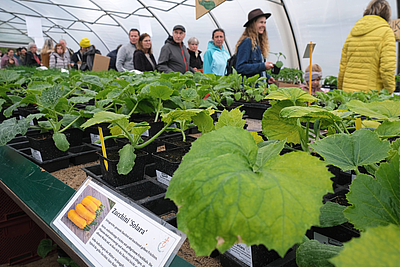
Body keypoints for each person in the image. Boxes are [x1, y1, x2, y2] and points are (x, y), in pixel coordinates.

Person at [338, 0, 396, 93]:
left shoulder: (353, 32)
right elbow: (387, 69)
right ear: (387, 14)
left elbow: (343, 67)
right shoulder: (386, 32)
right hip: (370, 97)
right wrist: (389, 91)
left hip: (348, 94)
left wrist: (341, 90)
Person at [235, 8, 275, 84]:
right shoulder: (247, 42)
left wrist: (267, 77)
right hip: (250, 90)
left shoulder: (258, 43)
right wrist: (263, 66)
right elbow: (240, 67)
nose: (263, 25)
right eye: (261, 22)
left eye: (265, 22)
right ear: (253, 24)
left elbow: (255, 69)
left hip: (259, 89)